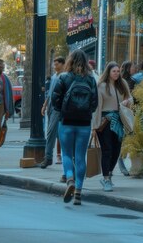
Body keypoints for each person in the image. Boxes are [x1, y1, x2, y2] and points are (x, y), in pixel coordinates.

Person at [51, 50, 98, 205]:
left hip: (66, 121)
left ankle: (69, 178)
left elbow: (55, 99)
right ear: (85, 62)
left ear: (69, 61)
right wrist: (86, 113)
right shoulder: (90, 79)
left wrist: (62, 111)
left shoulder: (63, 77)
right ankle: (78, 192)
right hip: (84, 123)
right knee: (80, 157)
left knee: (66, 154)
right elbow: (94, 102)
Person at [93, 61, 133, 192]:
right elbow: (97, 107)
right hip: (105, 121)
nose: (116, 73)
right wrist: (95, 126)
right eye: (114, 71)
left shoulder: (123, 84)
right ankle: (105, 179)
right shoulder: (101, 86)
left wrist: (127, 101)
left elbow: (130, 98)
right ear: (108, 72)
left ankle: (109, 173)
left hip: (119, 120)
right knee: (107, 150)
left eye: (118, 71)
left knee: (116, 151)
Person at [40, 56, 66, 169]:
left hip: (58, 106)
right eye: (54, 64)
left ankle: (48, 157)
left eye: (57, 64)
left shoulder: (65, 76)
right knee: (57, 133)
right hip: (51, 104)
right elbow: (50, 92)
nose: (54, 66)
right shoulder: (54, 76)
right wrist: (45, 105)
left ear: (63, 64)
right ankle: (61, 156)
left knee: (51, 132)